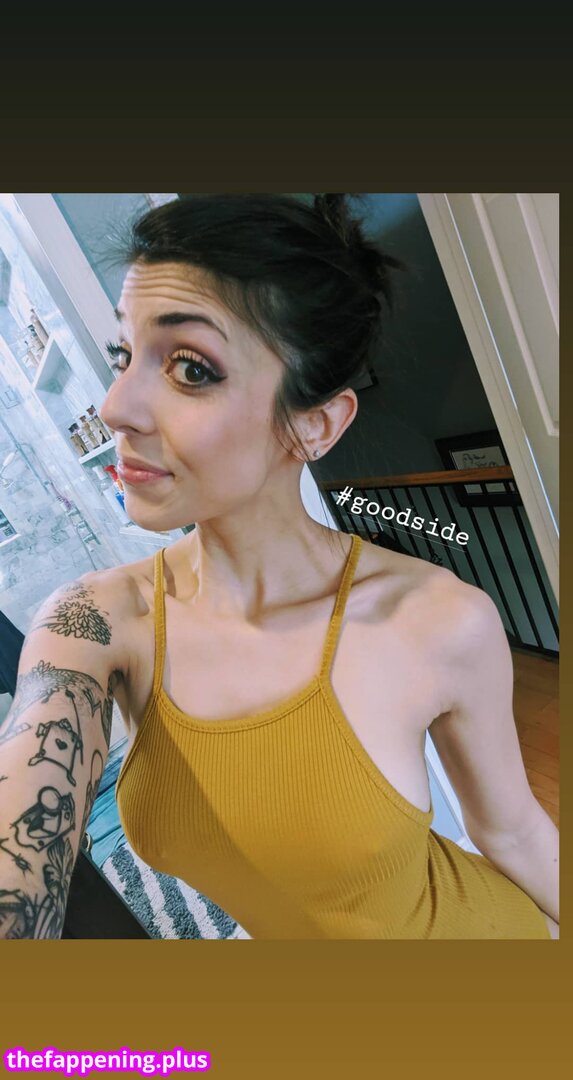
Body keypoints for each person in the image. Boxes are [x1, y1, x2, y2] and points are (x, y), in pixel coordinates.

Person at [0, 194, 558, 939]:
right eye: (124, 356)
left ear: (314, 424)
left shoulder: (441, 619)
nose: (116, 406)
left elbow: (513, 830)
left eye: (190, 368)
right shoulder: (96, 622)